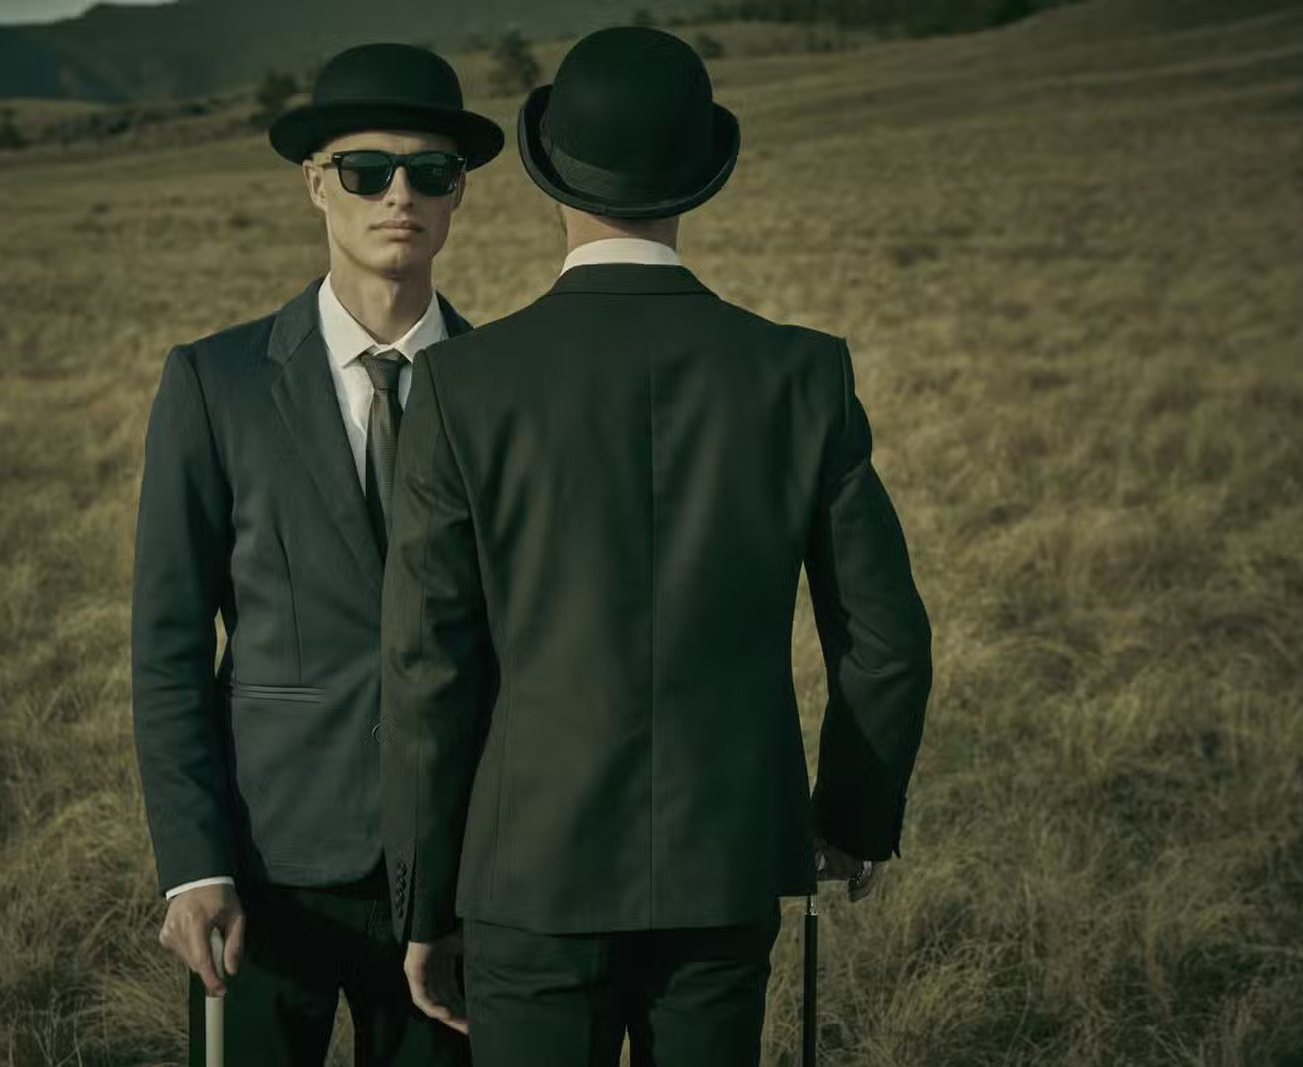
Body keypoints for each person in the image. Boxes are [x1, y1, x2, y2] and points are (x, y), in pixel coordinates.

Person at [377, 26, 934, 1067]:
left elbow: (426, 667)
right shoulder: (801, 374)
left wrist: (424, 899)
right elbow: (885, 634)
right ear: (696, 182)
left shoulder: (464, 386)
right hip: (724, 863)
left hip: (524, 874)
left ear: (551, 180)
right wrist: (852, 817)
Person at [130, 41, 502, 1065]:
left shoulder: (508, 390)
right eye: (364, 169)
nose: (398, 194)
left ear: (457, 192)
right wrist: (191, 863)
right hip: (264, 871)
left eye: (430, 172)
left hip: (458, 880)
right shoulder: (216, 383)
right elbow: (167, 644)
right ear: (314, 183)